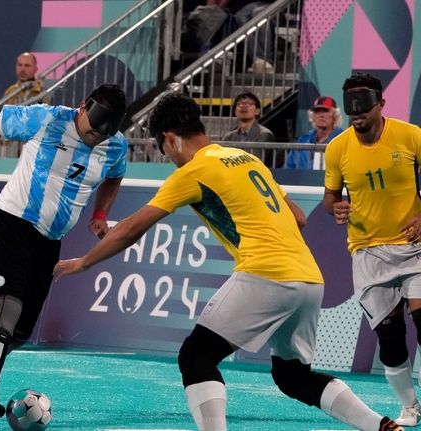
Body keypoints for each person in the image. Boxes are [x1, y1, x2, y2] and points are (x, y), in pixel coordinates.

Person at [54, 92, 404, 431]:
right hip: (309, 279)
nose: (169, 157)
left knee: (195, 357)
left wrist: (82, 263)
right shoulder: (246, 158)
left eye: (164, 150)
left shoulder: (192, 172)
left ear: (169, 139)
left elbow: (131, 228)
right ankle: (378, 425)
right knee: (294, 378)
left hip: (265, 273)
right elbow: (299, 217)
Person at [0, 83, 129, 423]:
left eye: (102, 137)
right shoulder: (45, 119)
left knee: (17, 333)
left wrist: (100, 214)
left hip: (49, 242)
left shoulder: (115, 145)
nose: (94, 139)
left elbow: (115, 177)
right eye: (90, 132)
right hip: (11, 224)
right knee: (4, 312)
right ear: (83, 108)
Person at [324, 72, 421, 427]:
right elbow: (330, 196)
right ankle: (410, 406)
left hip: (415, 248)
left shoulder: (410, 135)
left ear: (381, 103)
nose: (357, 111)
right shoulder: (338, 147)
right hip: (367, 252)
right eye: (350, 104)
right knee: (390, 337)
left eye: (363, 103)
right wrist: (334, 207)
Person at [0, 52, 51, 158]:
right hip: (11, 149)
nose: (22, 69)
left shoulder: (42, 92)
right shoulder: (10, 92)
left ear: (35, 69)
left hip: (34, 148)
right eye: (20, 65)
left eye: (27, 66)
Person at [221, 92, 279, 167]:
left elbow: (255, 160)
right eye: (239, 104)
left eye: (249, 103)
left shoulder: (264, 134)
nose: (243, 106)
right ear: (235, 111)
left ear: (257, 111)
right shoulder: (228, 137)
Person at [286, 95, 344, 169]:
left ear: (335, 115)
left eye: (325, 111)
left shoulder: (343, 140)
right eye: (317, 111)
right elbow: (288, 167)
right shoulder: (302, 141)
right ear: (312, 116)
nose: (321, 115)